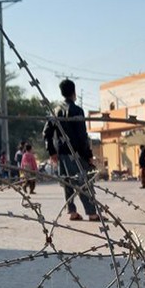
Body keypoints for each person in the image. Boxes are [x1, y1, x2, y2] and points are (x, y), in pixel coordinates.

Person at [44, 79, 99, 221]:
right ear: (74, 92)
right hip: (76, 153)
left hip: (62, 153)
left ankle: (72, 211)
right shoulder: (77, 110)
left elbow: (46, 133)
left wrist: (52, 152)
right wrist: (88, 155)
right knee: (84, 182)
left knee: (67, 182)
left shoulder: (55, 111)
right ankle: (92, 213)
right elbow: (82, 136)